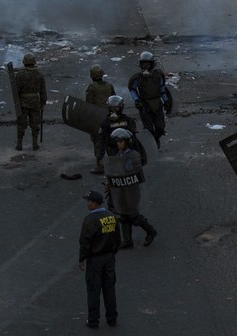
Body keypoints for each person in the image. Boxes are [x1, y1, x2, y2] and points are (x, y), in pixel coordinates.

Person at [103, 128, 157, 248]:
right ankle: (127, 240)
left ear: (126, 142)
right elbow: (114, 170)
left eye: (121, 142)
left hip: (131, 189)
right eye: (118, 142)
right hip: (121, 188)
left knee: (133, 215)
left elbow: (132, 170)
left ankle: (151, 231)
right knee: (123, 214)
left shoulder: (132, 155)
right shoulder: (118, 155)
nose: (119, 144)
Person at [77, 190, 122, 330]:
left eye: (88, 201)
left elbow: (85, 242)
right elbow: (117, 239)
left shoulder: (89, 220)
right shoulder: (112, 217)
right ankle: (112, 318)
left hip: (95, 260)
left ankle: (93, 320)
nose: (87, 204)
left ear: (94, 203)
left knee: (93, 290)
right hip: (109, 258)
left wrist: (82, 258)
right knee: (109, 288)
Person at [127, 51, 172, 148]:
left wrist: (166, 100)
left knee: (160, 127)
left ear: (152, 64)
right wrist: (136, 100)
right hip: (145, 105)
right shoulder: (137, 78)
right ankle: (152, 144)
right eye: (144, 64)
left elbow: (162, 89)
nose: (146, 66)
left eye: (148, 64)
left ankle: (156, 139)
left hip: (157, 103)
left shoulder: (158, 75)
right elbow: (133, 89)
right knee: (149, 129)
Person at [12, 52, 47, 151]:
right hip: (35, 102)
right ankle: (34, 144)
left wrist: (17, 102)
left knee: (21, 123)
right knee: (35, 123)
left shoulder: (20, 75)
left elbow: (17, 90)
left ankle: (19, 144)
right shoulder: (39, 75)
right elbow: (43, 90)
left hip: (23, 102)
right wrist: (43, 103)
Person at [84, 66, 116, 175]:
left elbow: (89, 105)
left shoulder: (92, 88)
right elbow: (114, 99)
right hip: (110, 117)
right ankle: (114, 163)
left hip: (98, 118)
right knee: (111, 140)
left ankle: (100, 166)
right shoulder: (109, 86)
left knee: (98, 142)